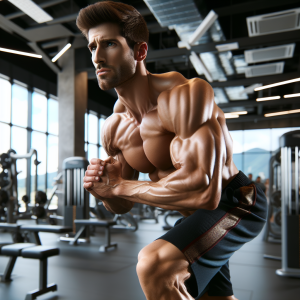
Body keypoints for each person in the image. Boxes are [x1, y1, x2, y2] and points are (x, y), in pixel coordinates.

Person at [78, 2, 267, 299]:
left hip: (237, 203)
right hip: (197, 218)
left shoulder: (183, 98)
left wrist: (121, 186)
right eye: (92, 47)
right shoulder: (115, 127)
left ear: (139, 52)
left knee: (155, 265)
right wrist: (104, 191)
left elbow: (205, 191)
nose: (97, 57)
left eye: (109, 44)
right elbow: (122, 204)